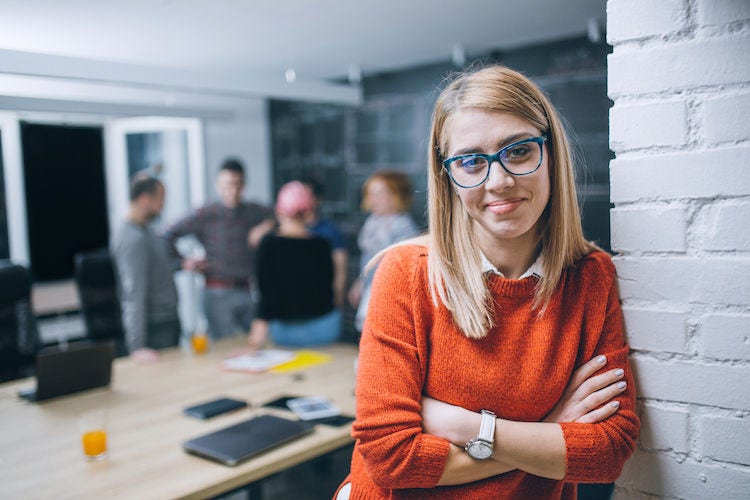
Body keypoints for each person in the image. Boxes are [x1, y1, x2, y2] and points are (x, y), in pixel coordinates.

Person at [336, 65, 639, 499]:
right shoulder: (407, 273)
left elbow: (608, 451)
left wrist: (468, 427)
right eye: (471, 161)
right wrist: (550, 431)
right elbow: (392, 458)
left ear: (550, 152)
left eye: (518, 151)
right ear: (449, 178)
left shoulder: (591, 277)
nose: (498, 181)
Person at [164, 158, 274, 340]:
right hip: (217, 292)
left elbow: (282, 214)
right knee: (223, 347)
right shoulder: (206, 213)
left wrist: (265, 226)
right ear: (217, 185)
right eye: (227, 185)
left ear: (244, 184)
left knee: (256, 344)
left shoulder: (253, 211)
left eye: (238, 185)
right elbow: (167, 233)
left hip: (247, 290)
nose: (233, 191)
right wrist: (183, 262)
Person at [247, 181, 341, 348]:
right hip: (325, 328)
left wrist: (255, 339)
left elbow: (265, 293)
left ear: (278, 211)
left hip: (285, 332)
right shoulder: (322, 244)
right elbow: (329, 287)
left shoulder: (268, 244)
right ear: (308, 212)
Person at [111, 174, 181, 363]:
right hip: (154, 327)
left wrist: (182, 264)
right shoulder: (131, 239)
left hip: (167, 320)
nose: (163, 206)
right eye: (160, 199)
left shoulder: (147, 231)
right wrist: (137, 346)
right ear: (144, 199)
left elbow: (157, 269)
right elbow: (133, 292)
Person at [347, 170, 419, 332]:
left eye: (380, 193)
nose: (373, 199)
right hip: (370, 286)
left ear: (396, 195)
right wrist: (361, 283)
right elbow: (368, 258)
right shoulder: (373, 221)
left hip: (389, 289)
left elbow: (407, 267)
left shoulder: (402, 226)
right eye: (370, 193)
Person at [302, 177, 348, 309]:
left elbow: (340, 267)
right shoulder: (286, 231)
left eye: (307, 196)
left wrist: (338, 298)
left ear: (318, 199)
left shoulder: (330, 231)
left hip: (323, 299)